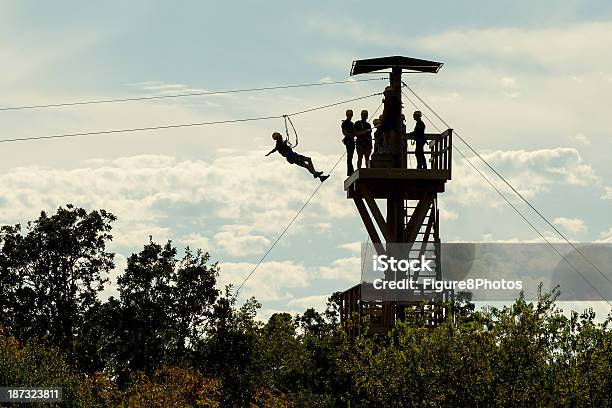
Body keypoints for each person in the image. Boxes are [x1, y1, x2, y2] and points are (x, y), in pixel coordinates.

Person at [341, 109, 355, 176]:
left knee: (350, 157)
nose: (350, 116)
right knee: (349, 157)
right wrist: (351, 135)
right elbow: (344, 132)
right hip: (349, 141)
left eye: (350, 114)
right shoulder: (345, 123)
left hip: (351, 141)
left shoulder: (352, 124)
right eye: (349, 114)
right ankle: (350, 172)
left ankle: (350, 171)